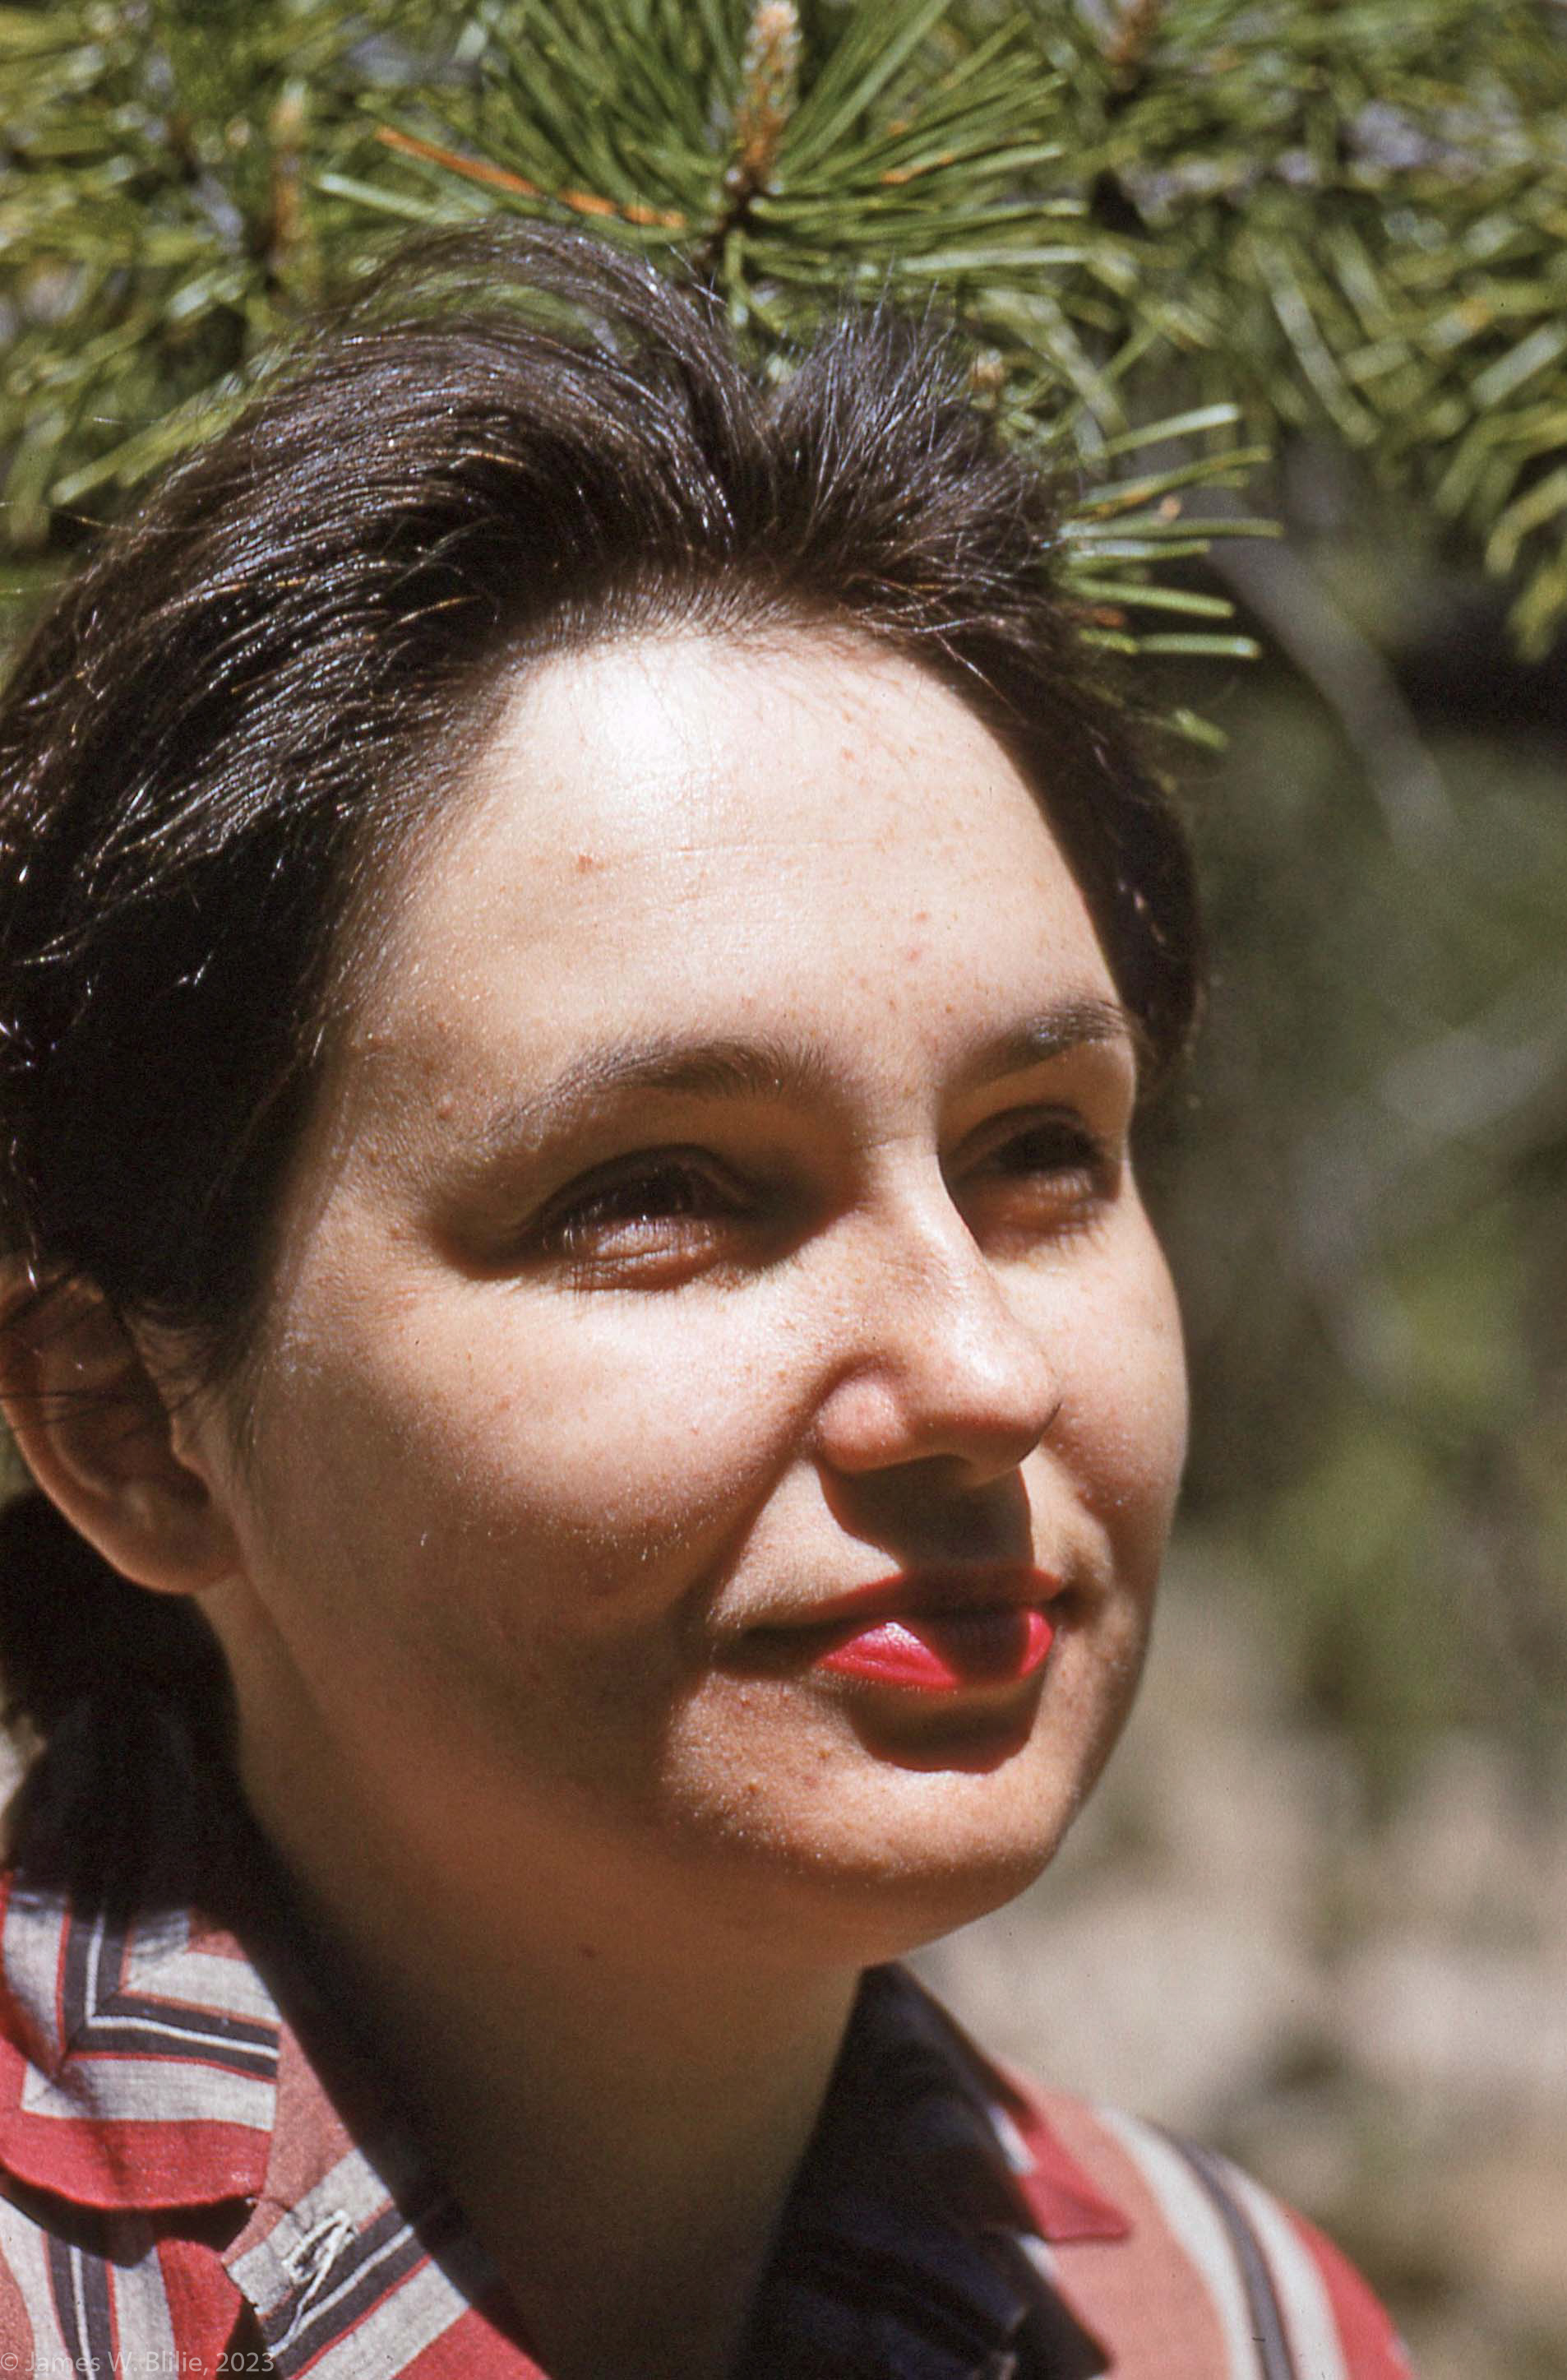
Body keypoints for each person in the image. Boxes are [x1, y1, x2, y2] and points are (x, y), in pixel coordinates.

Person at [0, 225, 1408, 2379]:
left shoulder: (1236, 2329)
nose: (978, 1370)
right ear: (128, 1428)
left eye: (1041, 1152)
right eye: (658, 1197)